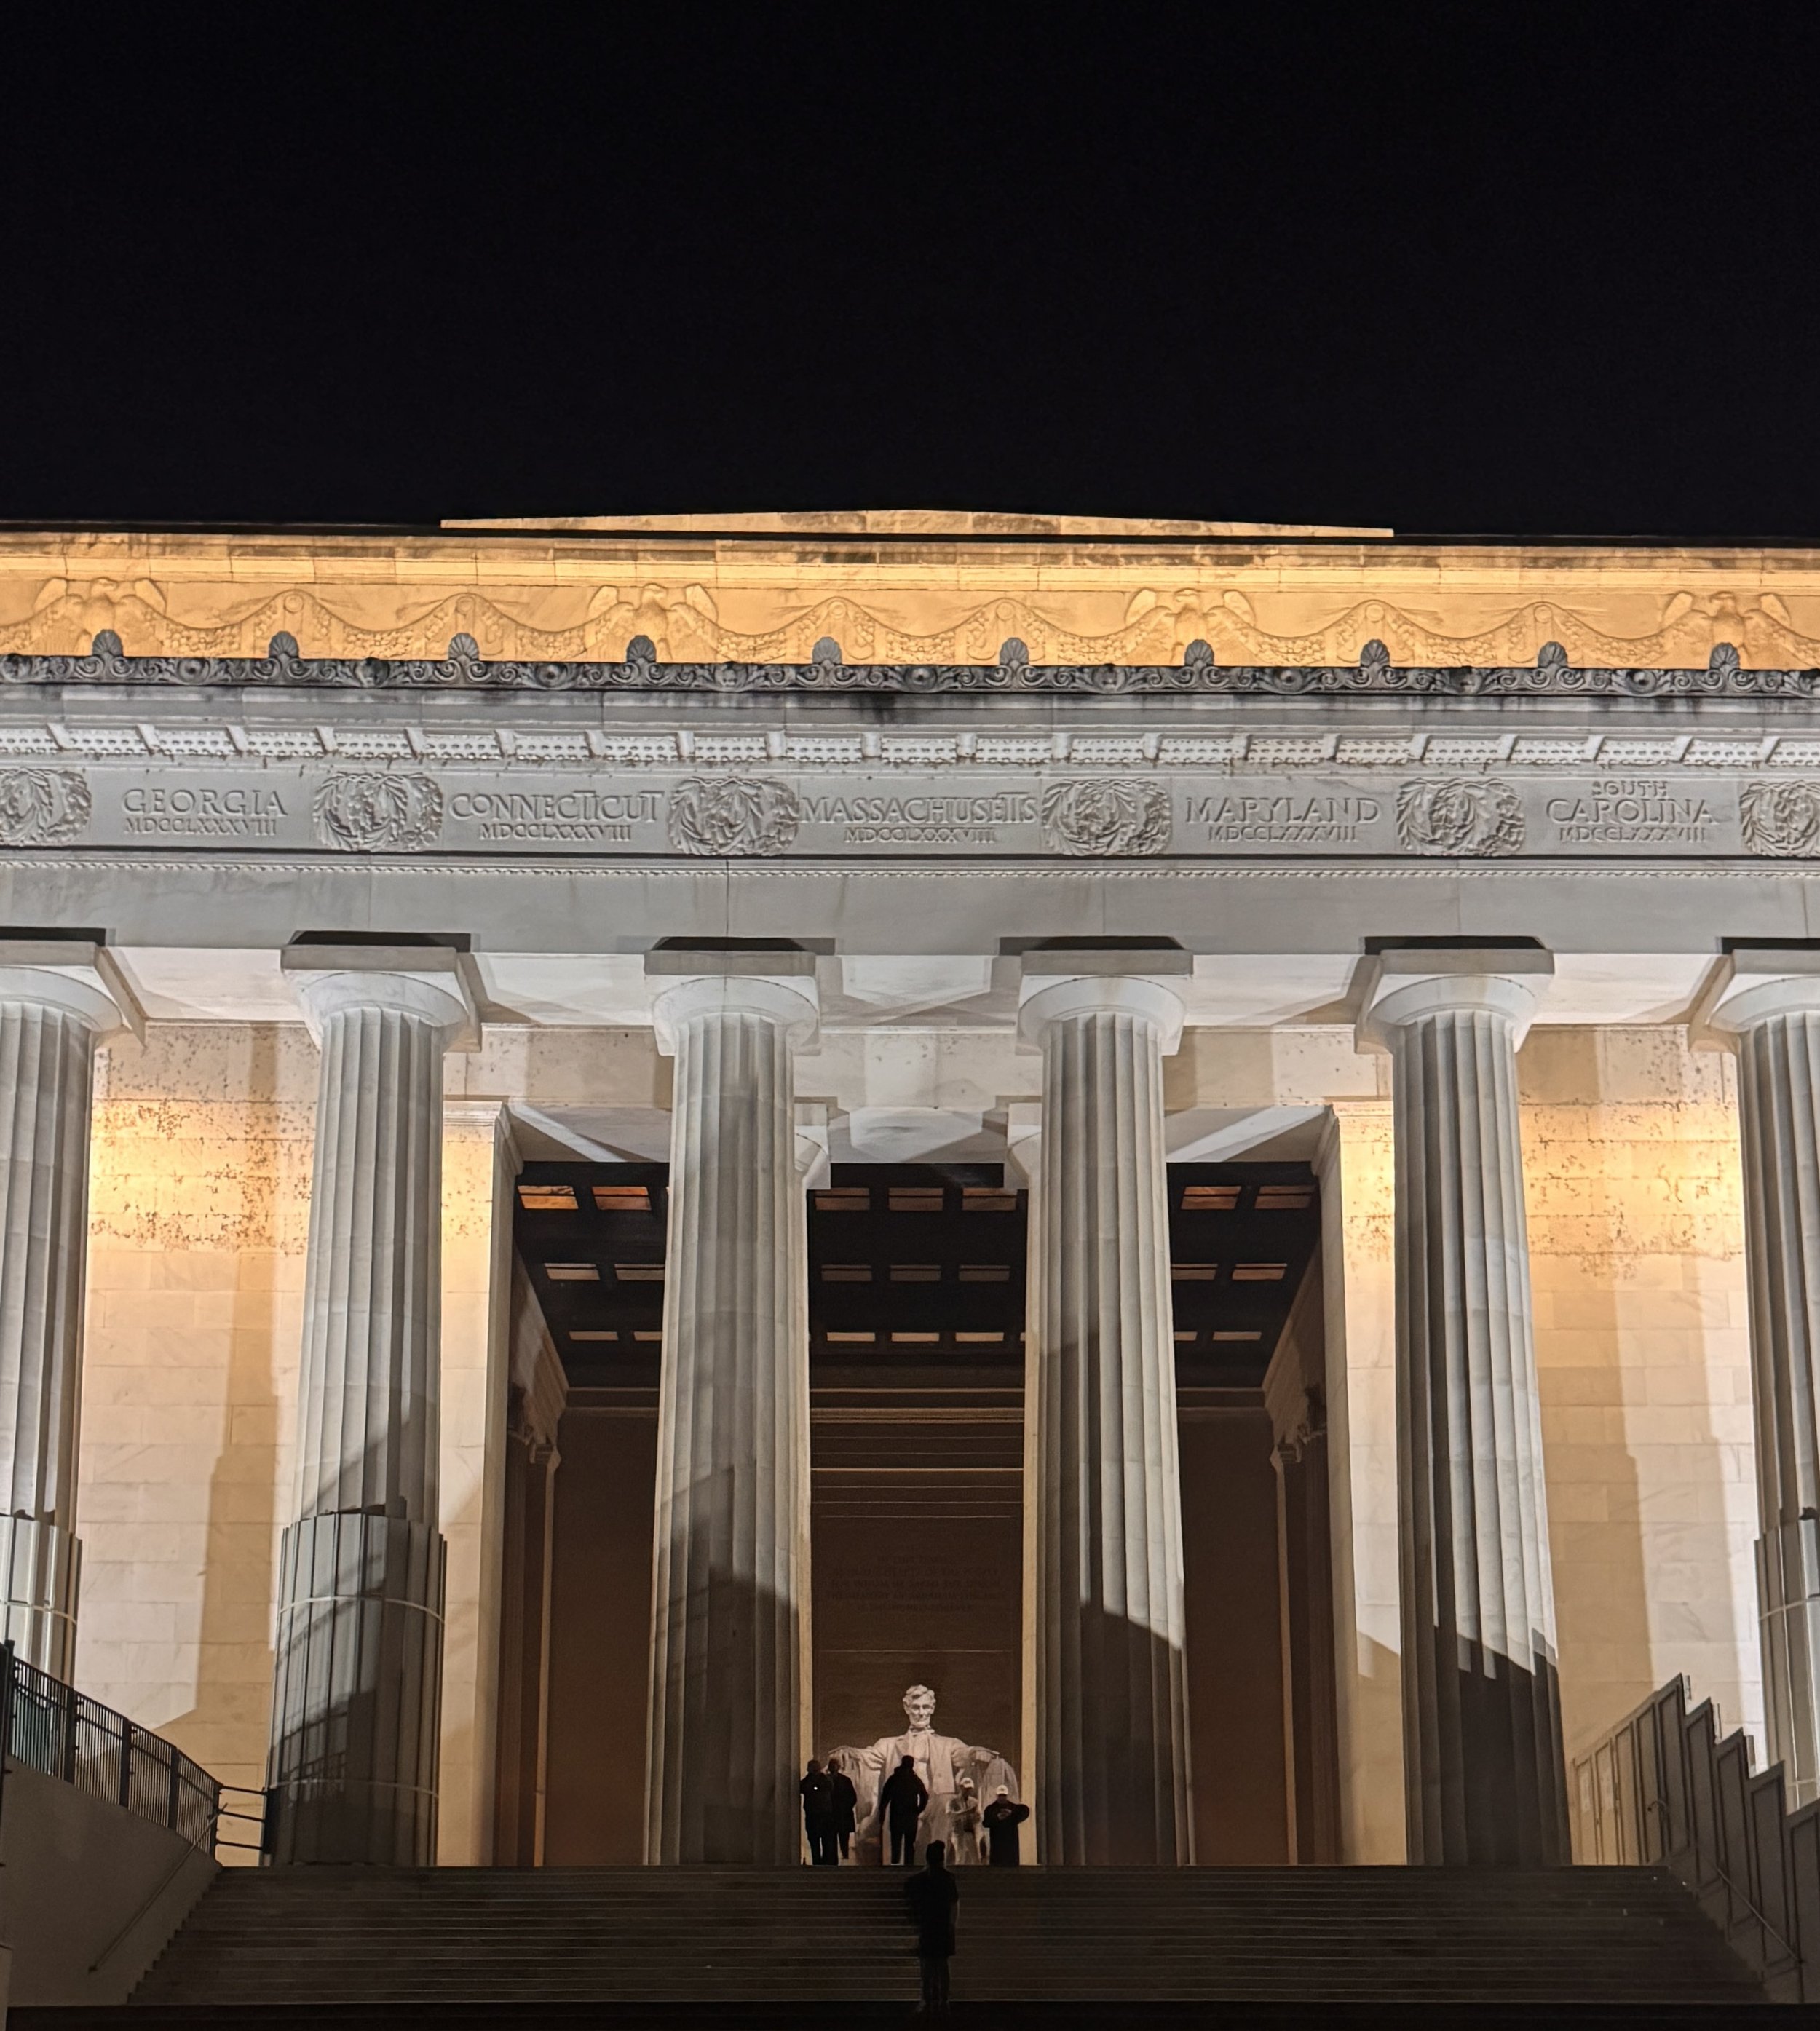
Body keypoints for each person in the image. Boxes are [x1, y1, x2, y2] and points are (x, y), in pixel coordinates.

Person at [904, 1840, 959, 2012]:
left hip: (927, 1924)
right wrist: (952, 1925)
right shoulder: (948, 1879)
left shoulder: (919, 1880)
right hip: (943, 1925)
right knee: (942, 1965)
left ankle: (927, 1999)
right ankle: (943, 1999)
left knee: (927, 1966)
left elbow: (910, 1895)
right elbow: (954, 1904)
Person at [879, 1754, 929, 1866]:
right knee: (909, 1844)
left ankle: (895, 1865)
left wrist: (881, 1814)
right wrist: (919, 1810)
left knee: (896, 1842)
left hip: (897, 1814)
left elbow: (885, 1798)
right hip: (910, 1815)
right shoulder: (914, 1779)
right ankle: (908, 1867)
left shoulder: (894, 1778)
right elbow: (925, 1796)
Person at [799, 1757, 837, 1866]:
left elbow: (828, 1787)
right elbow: (803, 1788)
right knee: (815, 1841)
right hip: (815, 1814)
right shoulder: (809, 1781)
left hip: (823, 1814)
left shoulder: (825, 1780)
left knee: (825, 1841)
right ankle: (818, 1862)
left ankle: (825, 1862)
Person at [983, 1783, 1029, 1866]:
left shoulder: (1014, 1808)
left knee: (1011, 1864)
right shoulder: (990, 1809)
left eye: (1004, 1796)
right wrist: (997, 1818)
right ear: (997, 1796)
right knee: (997, 1865)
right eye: (1000, 1796)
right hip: (997, 1842)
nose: (1002, 1798)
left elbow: (1025, 1811)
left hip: (1011, 1842)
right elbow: (986, 1823)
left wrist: (1011, 1814)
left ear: (1007, 1796)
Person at [826, 1754, 858, 1862]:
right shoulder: (825, 1780)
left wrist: (845, 1807)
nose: (833, 1767)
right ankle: (834, 1859)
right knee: (832, 1839)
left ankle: (845, 1857)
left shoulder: (845, 1780)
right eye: (832, 1765)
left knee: (843, 1837)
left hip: (842, 1814)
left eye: (835, 1765)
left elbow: (853, 1797)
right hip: (832, 1814)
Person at [944, 1773, 982, 1866]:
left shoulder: (974, 1802)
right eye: (966, 1788)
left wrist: (977, 1817)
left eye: (970, 1789)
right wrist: (967, 1812)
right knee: (960, 1858)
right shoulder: (952, 1801)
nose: (968, 1791)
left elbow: (978, 1818)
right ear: (961, 1788)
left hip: (970, 1831)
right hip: (958, 1832)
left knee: (976, 1859)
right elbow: (950, 1816)